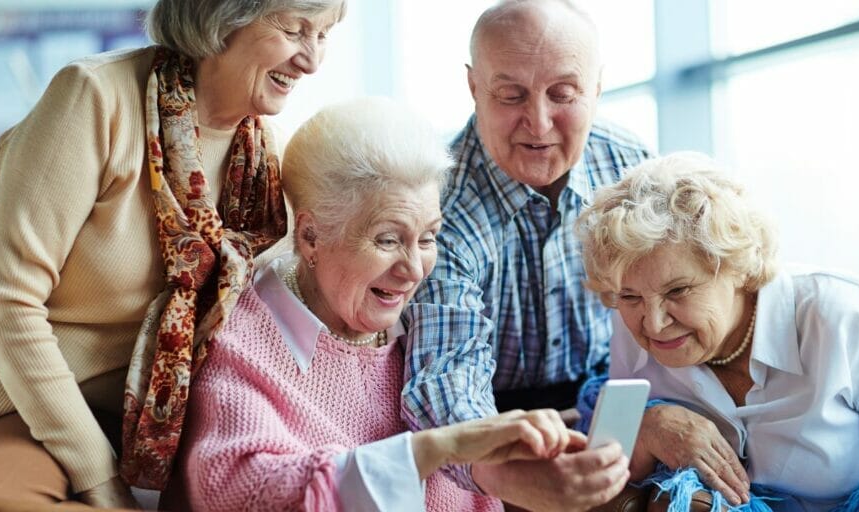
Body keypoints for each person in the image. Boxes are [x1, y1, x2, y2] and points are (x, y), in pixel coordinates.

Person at [0, 0, 345, 507]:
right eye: (294, 31)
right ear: (221, 18)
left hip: (121, 420)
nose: (311, 60)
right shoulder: (96, 98)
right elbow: (5, 300)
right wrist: (100, 478)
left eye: (325, 35)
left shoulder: (265, 163)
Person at [401, 1, 751, 510]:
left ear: (597, 89)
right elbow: (443, 380)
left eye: (563, 94)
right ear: (474, 88)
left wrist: (650, 417)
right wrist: (508, 468)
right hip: (501, 431)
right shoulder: (438, 209)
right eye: (510, 94)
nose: (538, 123)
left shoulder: (630, 166)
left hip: (626, 398)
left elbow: (697, 301)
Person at [163, 97, 590, 512]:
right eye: (388, 239)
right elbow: (237, 490)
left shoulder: (427, 329)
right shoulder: (243, 341)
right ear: (311, 236)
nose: (414, 270)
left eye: (428, 238)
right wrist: (436, 449)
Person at [576, 152, 859, 511]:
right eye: (628, 296)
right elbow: (600, 472)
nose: (654, 322)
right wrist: (649, 426)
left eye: (678, 290)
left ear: (738, 267)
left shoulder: (843, 318)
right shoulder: (633, 329)